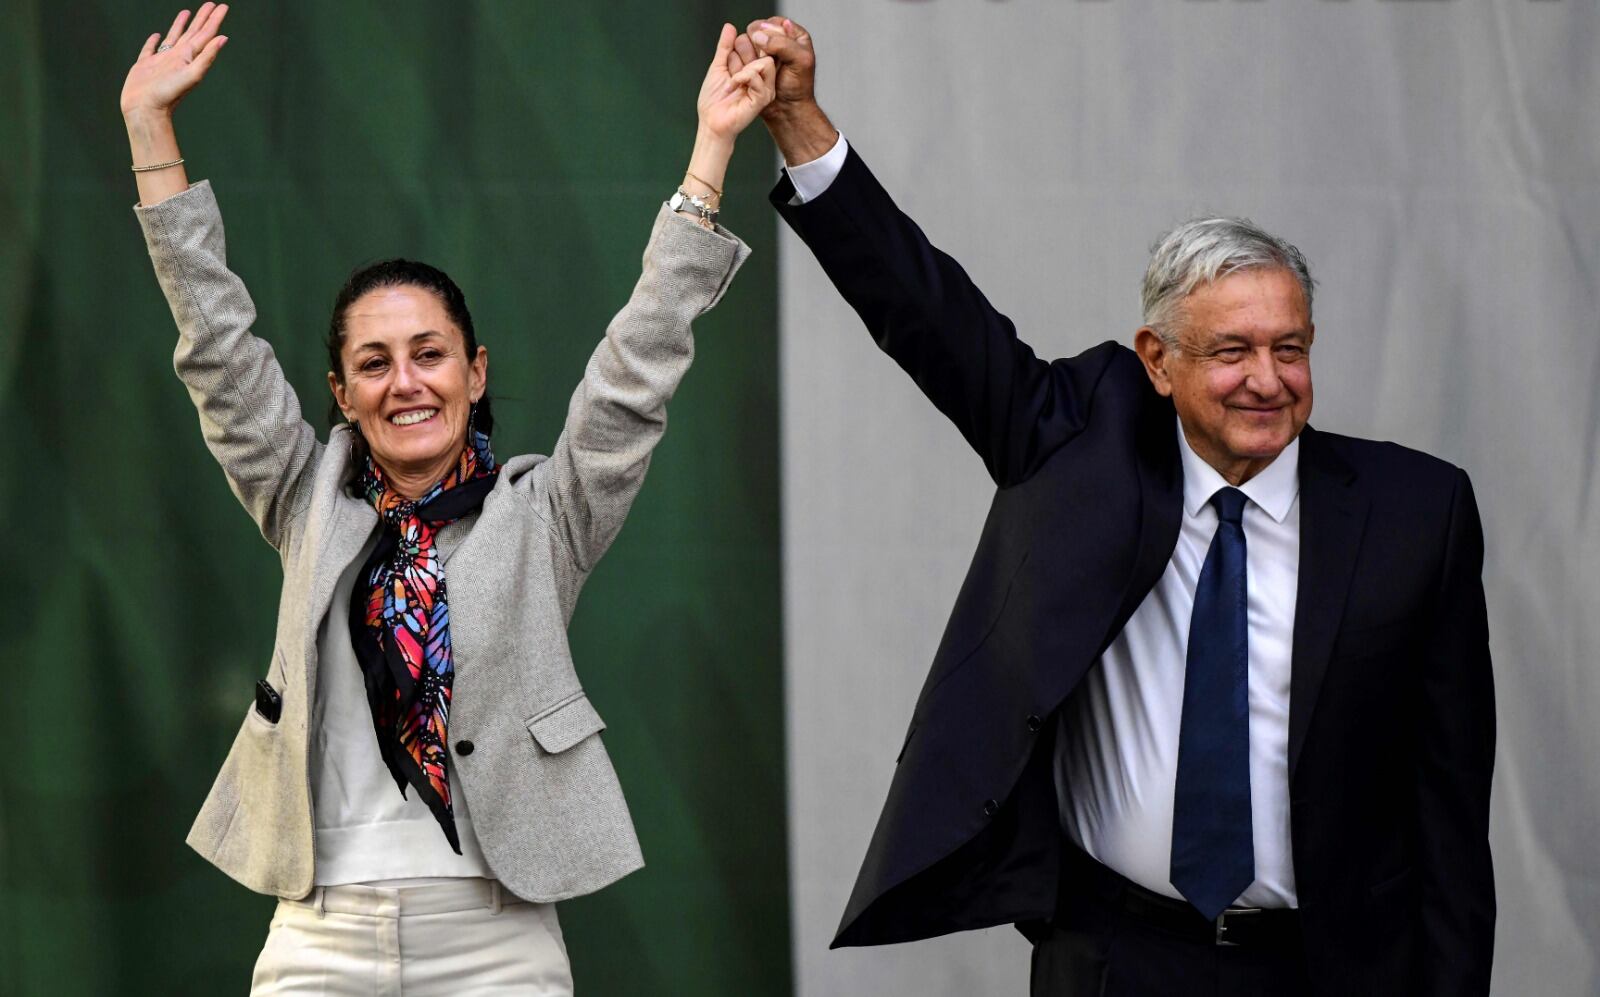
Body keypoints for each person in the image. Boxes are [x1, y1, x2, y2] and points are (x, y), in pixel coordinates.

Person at [736, 17, 1495, 996]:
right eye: (1230, 352)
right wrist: (797, 119)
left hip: (1331, 966)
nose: (1266, 380)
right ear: (1156, 361)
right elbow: (924, 309)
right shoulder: (1077, 441)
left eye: (1288, 347)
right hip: (1113, 959)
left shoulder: (1416, 513)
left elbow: (1448, 809)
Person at [121, 6, 776, 993]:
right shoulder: (304, 497)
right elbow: (215, 346)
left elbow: (635, 370)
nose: (406, 381)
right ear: (341, 394)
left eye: (429, 354)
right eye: (373, 363)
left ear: (474, 372)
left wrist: (712, 148)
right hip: (320, 930)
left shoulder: (544, 514)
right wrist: (149, 133)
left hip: (495, 934)